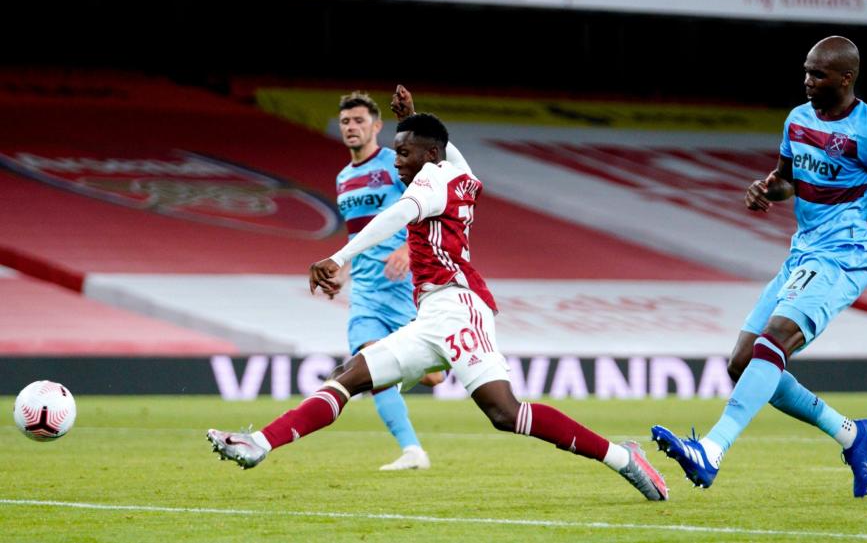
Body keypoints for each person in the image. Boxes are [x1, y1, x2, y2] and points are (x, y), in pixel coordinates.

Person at [208, 111, 669, 501]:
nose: (396, 159)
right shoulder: (457, 174)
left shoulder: (429, 181)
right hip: (431, 315)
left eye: (403, 151)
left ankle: (623, 457)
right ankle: (259, 443)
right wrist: (417, 114)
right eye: (394, 150)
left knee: (504, 413)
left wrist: (338, 256)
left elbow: (393, 216)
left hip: (458, 306)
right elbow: (446, 149)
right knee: (348, 376)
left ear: (429, 156)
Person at [651, 36, 867, 498]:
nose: (807, 81)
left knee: (774, 341)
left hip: (844, 256)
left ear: (846, 78)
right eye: (805, 71)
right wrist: (765, 190)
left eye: (818, 74)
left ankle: (712, 450)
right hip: (802, 253)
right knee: (741, 363)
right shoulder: (797, 120)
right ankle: (851, 434)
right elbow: (787, 183)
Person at [317, 91, 435, 471]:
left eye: (359, 121)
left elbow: (428, 208)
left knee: (433, 377)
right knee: (371, 365)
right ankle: (412, 450)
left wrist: (406, 252)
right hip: (366, 291)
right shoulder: (343, 178)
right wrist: (341, 268)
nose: (352, 127)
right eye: (346, 122)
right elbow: (357, 236)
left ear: (377, 126)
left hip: (402, 285)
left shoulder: (393, 164)